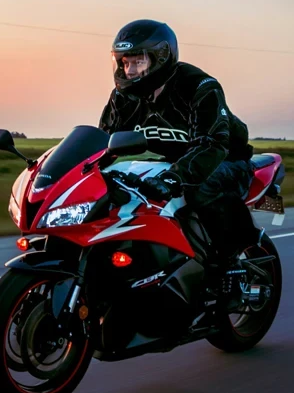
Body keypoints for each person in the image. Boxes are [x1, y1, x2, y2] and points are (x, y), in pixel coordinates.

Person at [98, 19, 260, 292]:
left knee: (197, 188)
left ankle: (228, 262)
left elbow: (212, 145)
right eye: (125, 63)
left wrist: (175, 177)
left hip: (225, 160)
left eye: (138, 62)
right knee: (119, 186)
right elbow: (104, 140)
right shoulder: (124, 98)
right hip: (176, 162)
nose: (130, 70)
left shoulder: (199, 86)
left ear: (161, 57)